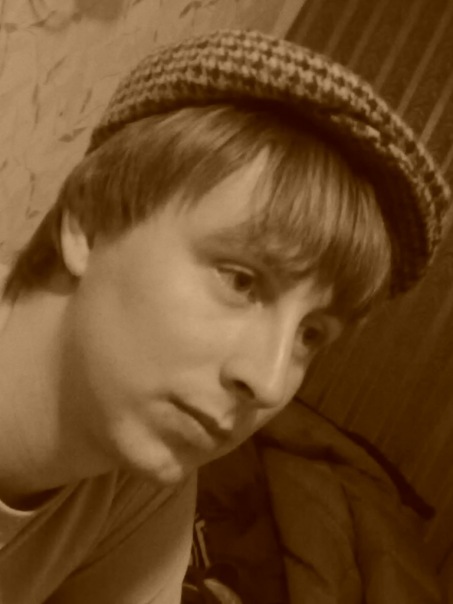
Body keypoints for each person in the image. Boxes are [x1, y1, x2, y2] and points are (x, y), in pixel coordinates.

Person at [0, 29, 449, 603]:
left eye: (311, 335)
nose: (269, 382)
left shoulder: (145, 485)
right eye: (240, 280)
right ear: (88, 224)